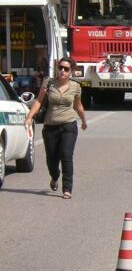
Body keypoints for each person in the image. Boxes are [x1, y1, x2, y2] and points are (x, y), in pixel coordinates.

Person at [24, 57, 88, 199]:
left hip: (68, 125)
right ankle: (55, 176)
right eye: (60, 68)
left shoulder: (75, 87)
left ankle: (67, 189)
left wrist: (83, 120)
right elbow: (39, 101)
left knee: (66, 155)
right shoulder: (49, 83)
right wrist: (29, 118)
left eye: (66, 69)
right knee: (51, 159)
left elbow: (78, 105)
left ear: (71, 71)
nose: (62, 71)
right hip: (50, 126)